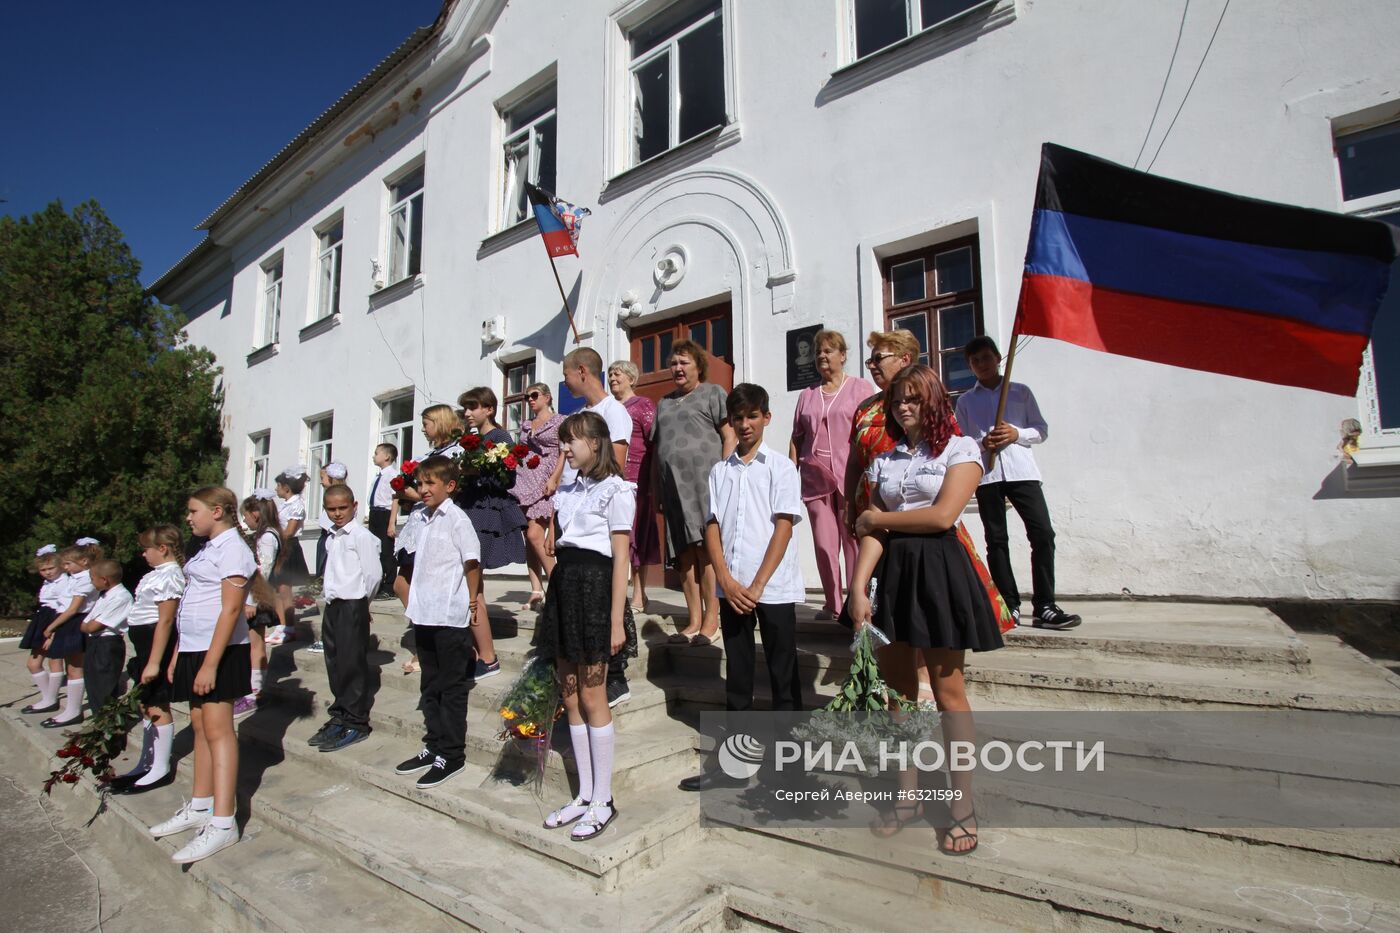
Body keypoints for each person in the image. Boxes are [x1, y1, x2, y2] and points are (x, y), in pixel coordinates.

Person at [849, 365, 1004, 855]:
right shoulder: (886, 459)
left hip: (939, 572)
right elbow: (873, 534)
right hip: (893, 576)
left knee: (947, 691)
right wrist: (857, 589)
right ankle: (908, 795)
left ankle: (962, 806)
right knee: (898, 695)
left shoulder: (961, 449)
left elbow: (942, 516)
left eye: (914, 397)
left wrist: (877, 515)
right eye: (897, 399)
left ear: (934, 400)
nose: (903, 406)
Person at [680, 384, 805, 792]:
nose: (745, 424)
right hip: (732, 590)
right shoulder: (721, 470)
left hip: (772, 589)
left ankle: (789, 772)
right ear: (730, 423)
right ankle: (733, 765)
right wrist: (728, 582)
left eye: (753, 416)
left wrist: (757, 584)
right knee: (737, 680)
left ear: (766, 418)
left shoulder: (781, 468)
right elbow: (711, 526)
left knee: (784, 680)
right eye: (738, 417)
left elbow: (783, 526)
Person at [537, 412, 636, 840]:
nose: (565, 448)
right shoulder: (570, 488)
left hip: (595, 590)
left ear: (595, 443)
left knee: (594, 695)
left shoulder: (617, 490)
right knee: (571, 694)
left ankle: (603, 798)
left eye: (571, 442)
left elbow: (621, 561)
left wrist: (617, 619)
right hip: (564, 586)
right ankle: (584, 795)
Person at [149, 486, 256, 865]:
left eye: (193, 511)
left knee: (218, 729)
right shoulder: (208, 547)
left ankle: (224, 822)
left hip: (221, 652)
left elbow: (230, 611)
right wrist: (181, 653)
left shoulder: (233, 549)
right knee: (198, 726)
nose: (188, 518)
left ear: (216, 511)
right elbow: (194, 602)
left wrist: (211, 663)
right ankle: (200, 804)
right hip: (196, 647)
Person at [955, 336, 1080, 630]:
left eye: (986, 358)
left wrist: (1016, 434)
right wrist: (981, 442)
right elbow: (960, 442)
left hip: (1023, 473)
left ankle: (1045, 605)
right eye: (975, 361)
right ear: (970, 367)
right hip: (988, 475)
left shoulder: (1020, 392)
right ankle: (1008, 603)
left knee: (1043, 534)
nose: (982, 365)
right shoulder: (965, 401)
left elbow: (1041, 430)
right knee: (996, 540)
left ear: (998, 357)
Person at [392, 456, 482, 789]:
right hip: (425, 613)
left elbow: (472, 563)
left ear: (450, 486)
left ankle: (452, 754)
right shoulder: (424, 519)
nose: (424, 489)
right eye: (421, 483)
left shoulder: (457, 519)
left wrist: (472, 601)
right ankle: (433, 745)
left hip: (449, 615)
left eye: (431, 483)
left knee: (451, 687)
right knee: (429, 685)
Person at [653, 340, 736, 644]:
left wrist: (724, 477)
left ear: (698, 366)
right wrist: (655, 490)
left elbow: (729, 435)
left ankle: (712, 620)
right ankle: (694, 620)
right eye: (674, 363)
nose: (677, 368)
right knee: (683, 556)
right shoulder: (663, 403)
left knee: (707, 551)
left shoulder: (713, 393)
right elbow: (658, 449)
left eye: (684, 362)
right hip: (673, 489)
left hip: (705, 486)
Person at [789, 329, 875, 620]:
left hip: (850, 476)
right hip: (815, 479)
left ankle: (855, 601)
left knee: (852, 541)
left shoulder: (860, 388)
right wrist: (792, 474)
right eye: (818, 353)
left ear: (843, 355)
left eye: (828, 351)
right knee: (825, 545)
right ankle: (831, 603)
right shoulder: (807, 395)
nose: (822, 357)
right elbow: (796, 437)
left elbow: (870, 429)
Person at [308, 484, 384, 752]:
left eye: (342, 508)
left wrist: (364, 603)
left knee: (351, 662)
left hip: (353, 604)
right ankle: (340, 713)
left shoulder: (360, 536)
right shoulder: (333, 536)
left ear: (354, 506)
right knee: (335, 660)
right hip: (334, 605)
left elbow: (373, 575)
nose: (337, 513)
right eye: (331, 509)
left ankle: (356, 721)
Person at [458, 386, 527, 680]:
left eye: (473, 407)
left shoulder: (499, 438)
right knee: (470, 583)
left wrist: (474, 472)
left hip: (484, 512)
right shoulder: (473, 441)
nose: (467, 413)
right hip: (470, 510)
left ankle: (487, 657)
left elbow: (506, 479)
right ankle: (478, 651)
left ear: (489, 408)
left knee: (473, 584)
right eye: (465, 408)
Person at [110, 524, 185, 795]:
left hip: (157, 645)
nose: (143, 555)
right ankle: (147, 760)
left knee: (156, 705)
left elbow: (166, 621)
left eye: (146, 549)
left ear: (162, 549)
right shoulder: (157, 574)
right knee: (145, 705)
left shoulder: (170, 576)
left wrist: (154, 662)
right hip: (144, 644)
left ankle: (160, 767)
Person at [393, 404, 466, 674]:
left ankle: (429, 643)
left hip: (437, 523)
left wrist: (413, 493)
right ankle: (424, 635)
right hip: (418, 522)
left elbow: (449, 491)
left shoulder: (455, 452)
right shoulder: (432, 454)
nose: (423, 428)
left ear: (440, 422)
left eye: (427, 423)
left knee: (414, 583)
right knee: (402, 583)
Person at [608, 360, 661, 615]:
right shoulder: (607, 408)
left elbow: (654, 441)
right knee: (616, 538)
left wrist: (652, 480)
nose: (612, 378)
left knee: (637, 537)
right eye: (609, 375)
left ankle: (639, 594)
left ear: (631, 378)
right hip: (611, 480)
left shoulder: (643, 405)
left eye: (617, 374)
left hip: (637, 480)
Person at [511, 382, 564, 611]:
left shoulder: (560, 421)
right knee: (528, 536)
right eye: (527, 397)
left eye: (534, 395)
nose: (530, 400)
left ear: (547, 397)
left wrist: (555, 478)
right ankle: (535, 590)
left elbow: (565, 451)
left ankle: (557, 586)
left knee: (535, 534)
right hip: (524, 481)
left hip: (546, 481)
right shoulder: (526, 425)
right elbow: (521, 450)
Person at [37, 543, 102, 728]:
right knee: (71, 668)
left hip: (74, 622)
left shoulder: (85, 580)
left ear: (83, 561)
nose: (65, 568)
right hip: (66, 622)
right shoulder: (74, 578)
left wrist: (52, 627)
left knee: (75, 669)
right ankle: (70, 709)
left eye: (68, 564)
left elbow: (73, 609)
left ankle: (73, 710)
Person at [238, 491, 282, 717]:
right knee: (253, 645)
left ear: (256, 513)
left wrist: (253, 601)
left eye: (245, 515)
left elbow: (262, 570)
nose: (244, 520)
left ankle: (254, 693)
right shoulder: (264, 534)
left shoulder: (267, 537)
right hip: (256, 596)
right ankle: (253, 689)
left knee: (256, 646)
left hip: (258, 597)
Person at [78, 559, 133, 714]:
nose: (91, 582)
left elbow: (94, 626)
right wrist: (88, 626)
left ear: (104, 580)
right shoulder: (104, 596)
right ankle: (98, 725)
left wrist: (89, 625)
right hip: (95, 643)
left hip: (107, 645)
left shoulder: (121, 597)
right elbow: (85, 624)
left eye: (92, 579)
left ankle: (108, 730)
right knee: (93, 687)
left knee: (104, 690)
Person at [268, 466, 312, 646]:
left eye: (278, 486)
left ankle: (290, 628)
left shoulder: (296, 505)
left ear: (286, 487)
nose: (276, 489)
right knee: (277, 589)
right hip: (280, 546)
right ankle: (281, 625)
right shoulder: (284, 504)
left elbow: (289, 531)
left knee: (285, 590)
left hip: (289, 547)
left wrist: (271, 533)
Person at [20, 546, 66, 714]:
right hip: (43, 618)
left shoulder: (65, 582)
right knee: (33, 663)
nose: (47, 572)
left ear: (60, 566)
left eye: (50, 568)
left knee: (55, 661)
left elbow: (64, 607)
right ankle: (48, 697)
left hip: (55, 619)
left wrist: (53, 632)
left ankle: (50, 699)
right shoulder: (48, 583)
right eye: (43, 570)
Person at [367, 442, 401, 599]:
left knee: (386, 551)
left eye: (376, 453)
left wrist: (391, 522)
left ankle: (390, 586)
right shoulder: (378, 476)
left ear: (387, 456)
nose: (374, 456)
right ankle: (378, 584)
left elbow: (395, 499)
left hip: (385, 515)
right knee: (374, 550)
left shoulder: (392, 475)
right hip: (375, 514)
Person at [313, 461, 350, 584]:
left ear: (331, 478)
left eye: (322, 478)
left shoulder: (342, 495)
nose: (321, 482)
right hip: (326, 533)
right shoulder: (328, 495)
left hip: (333, 533)